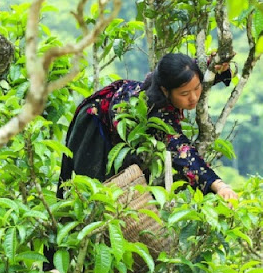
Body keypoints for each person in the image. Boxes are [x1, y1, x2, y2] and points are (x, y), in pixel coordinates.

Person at [57, 52, 238, 201]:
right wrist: (218, 185)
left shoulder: (188, 70)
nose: (193, 98)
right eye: (184, 94)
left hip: (122, 117)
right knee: (89, 193)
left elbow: (207, 68)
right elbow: (183, 152)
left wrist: (221, 65)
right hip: (96, 124)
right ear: (165, 90)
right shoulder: (156, 110)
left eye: (197, 89)